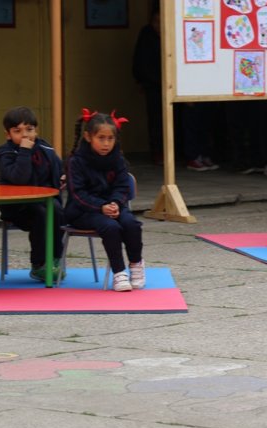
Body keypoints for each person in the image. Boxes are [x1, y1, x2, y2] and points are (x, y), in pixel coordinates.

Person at [64, 110, 145, 292]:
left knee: (131, 223)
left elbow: (123, 187)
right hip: (83, 211)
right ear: (88, 136)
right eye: (101, 138)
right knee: (111, 227)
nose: (106, 143)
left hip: (112, 206)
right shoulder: (76, 161)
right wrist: (101, 207)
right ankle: (119, 272)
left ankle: (136, 264)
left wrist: (115, 203)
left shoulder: (118, 159)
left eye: (110, 138)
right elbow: (77, 194)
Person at [0, 106, 66, 282]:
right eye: (18, 131)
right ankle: (39, 264)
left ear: (36, 130)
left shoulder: (45, 148)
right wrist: (24, 151)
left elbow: (56, 168)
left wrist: (61, 176)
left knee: (56, 210)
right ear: (8, 135)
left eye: (30, 130)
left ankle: (55, 259)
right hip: (17, 207)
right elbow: (19, 178)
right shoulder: (6, 154)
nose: (25, 135)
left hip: (43, 202)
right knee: (42, 213)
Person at [132, 6, 164, 166]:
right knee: (156, 120)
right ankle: (157, 152)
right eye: (155, 22)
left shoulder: (171, 33)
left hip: (171, 85)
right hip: (153, 85)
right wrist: (142, 81)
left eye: (161, 22)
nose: (158, 26)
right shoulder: (147, 35)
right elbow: (140, 61)